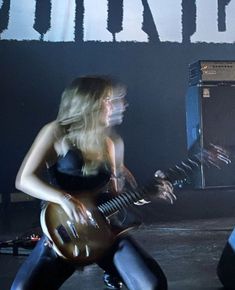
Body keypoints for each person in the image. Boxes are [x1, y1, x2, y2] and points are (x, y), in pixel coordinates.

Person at [11, 76, 176, 290]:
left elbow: (117, 196)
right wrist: (64, 198)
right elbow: (24, 180)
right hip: (64, 230)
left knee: (152, 284)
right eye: (112, 99)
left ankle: (112, 273)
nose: (122, 105)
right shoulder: (56, 132)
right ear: (91, 102)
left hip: (103, 230)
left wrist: (146, 194)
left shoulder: (113, 143)